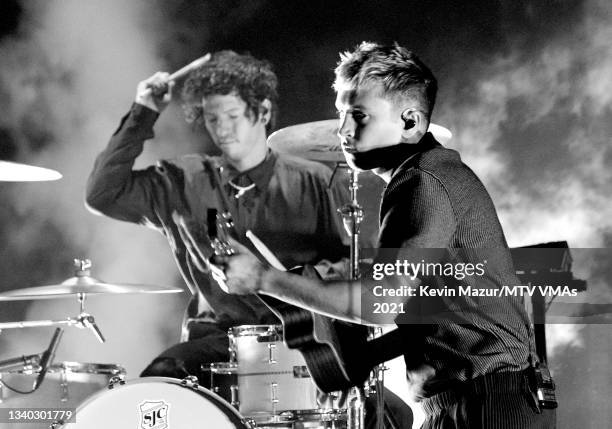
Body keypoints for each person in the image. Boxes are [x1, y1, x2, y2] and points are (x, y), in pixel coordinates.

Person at [221, 42, 557, 429]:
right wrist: (355, 361)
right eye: (341, 114)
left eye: (359, 115)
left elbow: (381, 301)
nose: (343, 130)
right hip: (481, 401)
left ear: (411, 122)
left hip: (486, 404)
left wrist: (263, 279)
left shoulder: (422, 181)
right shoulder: (430, 174)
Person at [86, 50, 413, 428]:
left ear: (261, 112)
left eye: (232, 117)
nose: (223, 130)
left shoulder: (318, 182)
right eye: (212, 119)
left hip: (307, 343)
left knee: (394, 415)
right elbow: (102, 194)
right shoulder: (181, 182)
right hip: (217, 341)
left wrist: (301, 281)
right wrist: (144, 111)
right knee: (158, 384)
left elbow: (354, 267)